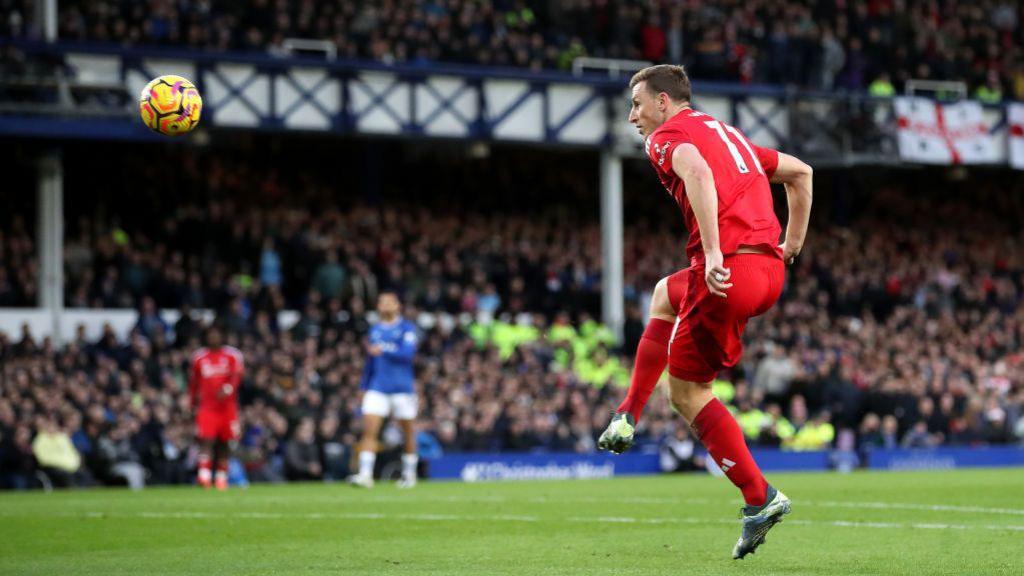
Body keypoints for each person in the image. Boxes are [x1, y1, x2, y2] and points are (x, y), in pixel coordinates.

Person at [597, 64, 813, 559]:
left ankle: (760, 498)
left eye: (637, 104)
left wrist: (713, 252)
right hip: (769, 274)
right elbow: (802, 174)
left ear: (663, 102)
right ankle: (627, 413)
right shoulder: (731, 135)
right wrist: (791, 245)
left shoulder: (666, 137)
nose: (633, 115)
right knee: (663, 294)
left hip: (727, 272)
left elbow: (693, 169)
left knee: (687, 392)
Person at [348, 291, 420, 489]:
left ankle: (409, 474)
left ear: (397, 305)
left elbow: (408, 354)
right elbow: (369, 363)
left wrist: (385, 350)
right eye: (381, 302)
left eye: (389, 301)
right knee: (369, 431)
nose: (384, 305)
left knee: (408, 432)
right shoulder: (375, 330)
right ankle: (365, 475)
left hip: (402, 388)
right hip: (377, 387)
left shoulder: (407, 328)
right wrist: (363, 387)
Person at [189, 323, 244, 490]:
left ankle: (221, 478)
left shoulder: (233, 355)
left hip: (227, 407)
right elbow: (194, 384)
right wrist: (192, 404)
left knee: (225, 443)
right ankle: (204, 477)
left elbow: (237, 376)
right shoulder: (199, 357)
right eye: (210, 334)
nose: (213, 337)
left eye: (217, 334)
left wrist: (229, 388)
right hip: (207, 407)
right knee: (206, 440)